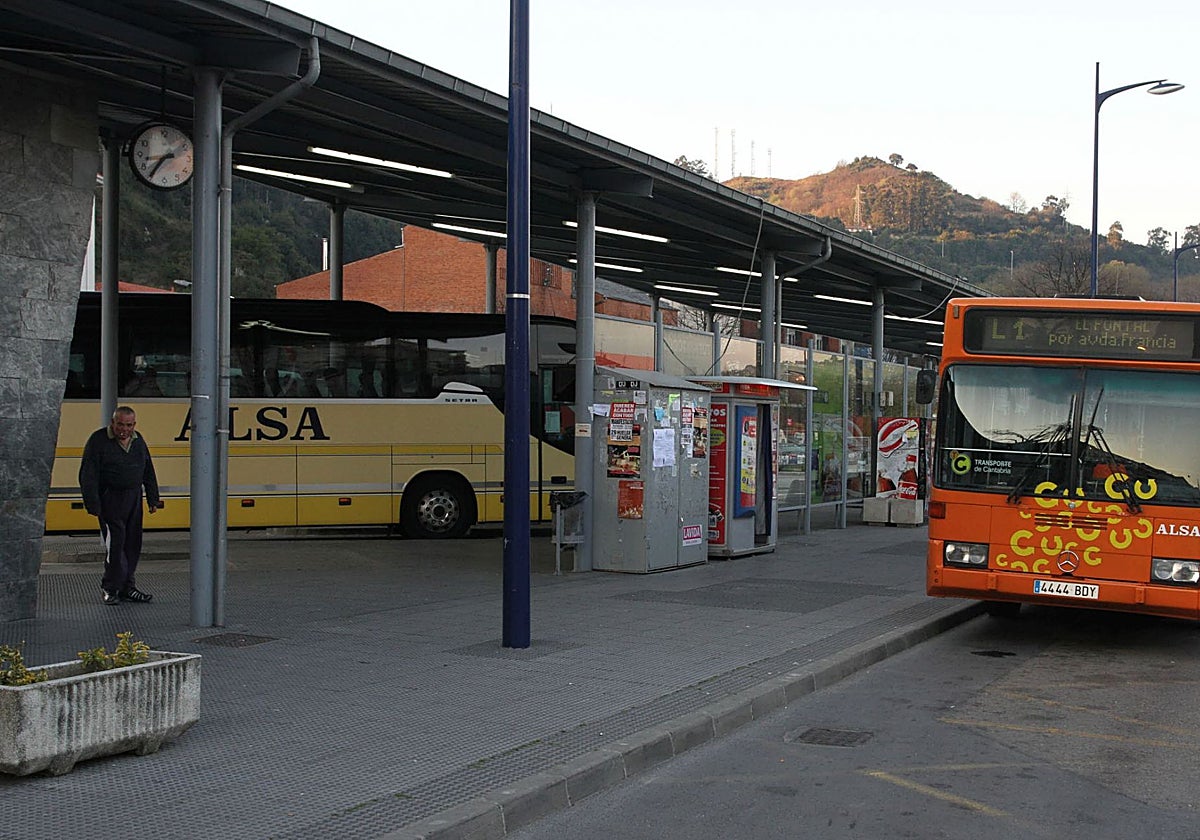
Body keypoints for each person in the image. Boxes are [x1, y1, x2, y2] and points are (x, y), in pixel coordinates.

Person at [79, 406, 163, 605]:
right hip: (111, 499)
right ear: (113, 422)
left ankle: (128, 587)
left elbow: (147, 469)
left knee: (132, 544)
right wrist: (93, 503)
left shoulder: (138, 440)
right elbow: (88, 474)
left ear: (134, 424)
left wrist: (153, 498)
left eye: (129, 425)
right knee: (116, 545)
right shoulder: (98, 441)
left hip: (133, 497)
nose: (124, 429)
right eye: (120, 424)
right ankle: (110, 587)